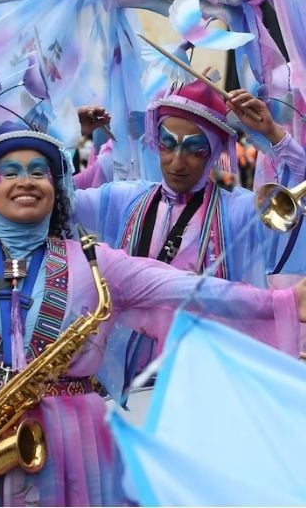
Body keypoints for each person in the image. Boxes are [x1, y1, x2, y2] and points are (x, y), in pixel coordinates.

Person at [0, 123, 306, 506]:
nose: (27, 181)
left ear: (57, 188)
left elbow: (188, 290)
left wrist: (280, 303)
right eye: (11, 172)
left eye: (40, 172)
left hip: (77, 451)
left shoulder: (96, 262)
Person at [75, 79, 306, 389]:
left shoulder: (239, 211)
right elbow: (56, 201)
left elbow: (298, 197)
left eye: (195, 150)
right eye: (168, 145)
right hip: (122, 379)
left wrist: (273, 134)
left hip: (203, 380)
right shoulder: (122, 200)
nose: (177, 162)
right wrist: (72, 136)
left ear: (212, 153)